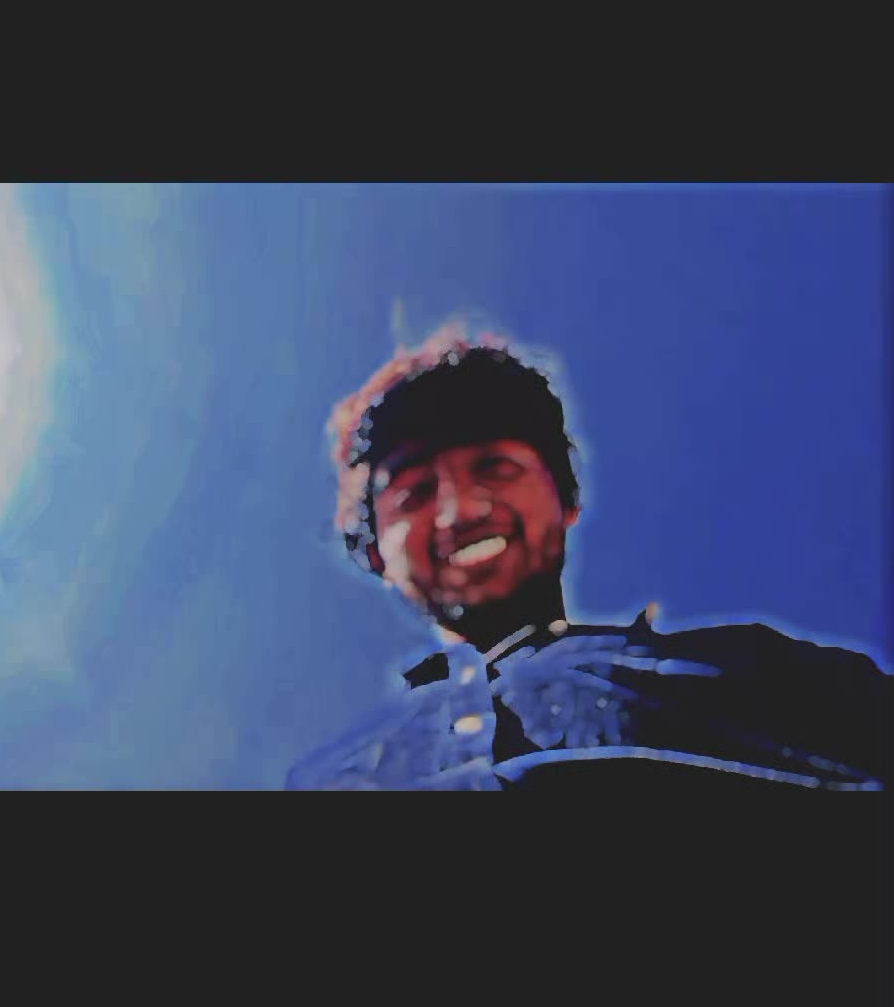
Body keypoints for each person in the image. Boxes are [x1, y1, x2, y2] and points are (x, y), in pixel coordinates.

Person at [286, 322, 891, 794]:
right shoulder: (316, 781)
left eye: (496, 466)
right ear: (376, 553)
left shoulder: (766, 673)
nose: (459, 510)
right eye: (415, 493)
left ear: (566, 497)